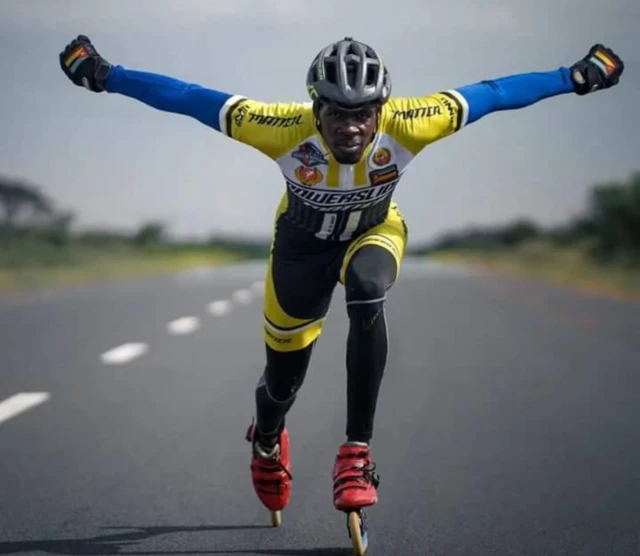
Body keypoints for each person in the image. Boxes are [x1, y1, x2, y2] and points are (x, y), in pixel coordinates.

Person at [59, 35, 624, 515]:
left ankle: (356, 453)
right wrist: (106, 74)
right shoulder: (277, 127)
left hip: (373, 234)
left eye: (363, 114)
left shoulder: (415, 120)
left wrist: (575, 76)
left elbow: (496, 94)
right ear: (314, 108)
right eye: (336, 113)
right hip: (301, 250)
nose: (351, 128)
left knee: (367, 292)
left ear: (383, 107)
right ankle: (266, 440)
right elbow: (187, 98)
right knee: (281, 385)